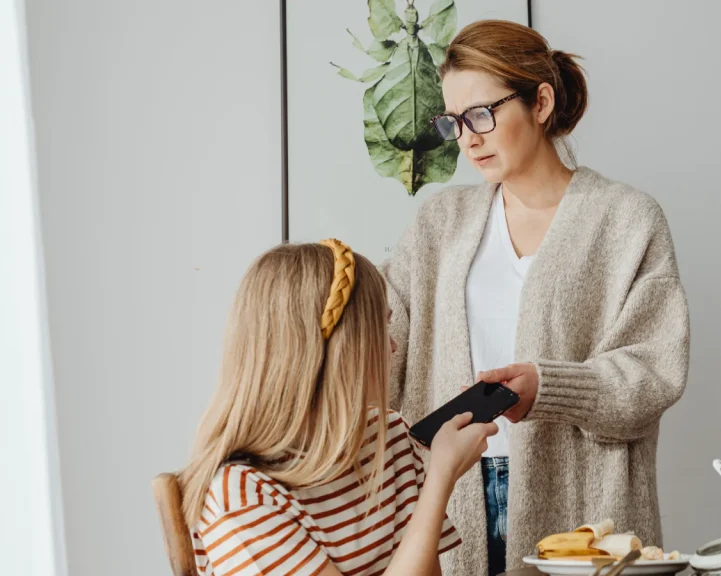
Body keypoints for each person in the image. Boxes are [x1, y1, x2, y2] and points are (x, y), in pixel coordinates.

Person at [382, 19, 690, 576]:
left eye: (481, 114)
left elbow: (654, 372)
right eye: (453, 122)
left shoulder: (626, 219)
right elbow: (382, 342)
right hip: (451, 497)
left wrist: (549, 387)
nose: (468, 138)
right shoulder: (438, 224)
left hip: (586, 508)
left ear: (540, 102)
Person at [179, 240, 498, 576]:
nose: (392, 346)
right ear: (340, 350)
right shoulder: (241, 495)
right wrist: (441, 476)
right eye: (380, 329)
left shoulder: (387, 437)